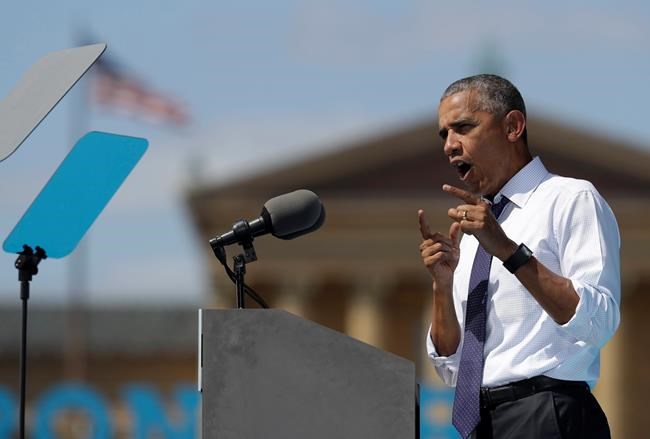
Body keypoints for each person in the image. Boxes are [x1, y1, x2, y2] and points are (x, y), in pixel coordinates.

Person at [418, 74, 620, 438]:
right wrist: (442, 286)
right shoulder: (477, 228)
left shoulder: (570, 199)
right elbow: (451, 368)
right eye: (444, 134)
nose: (449, 145)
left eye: (463, 128)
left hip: (547, 415)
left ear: (512, 126)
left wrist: (509, 251)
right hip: (480, 423)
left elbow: (599, 321)